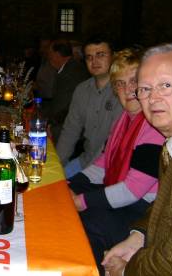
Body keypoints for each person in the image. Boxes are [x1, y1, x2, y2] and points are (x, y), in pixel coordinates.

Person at [103, 43, 172, 276]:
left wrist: (127, 270)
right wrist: (137, 237)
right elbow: (167, 202)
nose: (153, 98)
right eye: (145, 89)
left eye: (165, 86)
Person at [69, 48, 164, 274]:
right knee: (70, 211)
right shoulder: (124, 120)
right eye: (120, 84)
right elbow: (103, 163)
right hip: (124, 198)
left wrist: (80, 201)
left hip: (145, 212)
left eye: (134, 81)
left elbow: (132, 190)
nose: (128, 89)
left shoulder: (154, 126)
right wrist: (70, 186)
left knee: (88, 222)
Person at [57, 35, 123, 178]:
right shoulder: (82, 90)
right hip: (85, 160)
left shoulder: (123, 91)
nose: (94, 61)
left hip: (110, 167)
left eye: (100, 55)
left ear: (113, 57)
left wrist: (85, 176)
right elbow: (70, 131)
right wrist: (57, 165)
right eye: (89, 57)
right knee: (50, 183)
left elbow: (112, 142)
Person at [43, 38, 89, 141]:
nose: (48, 56)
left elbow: (63, 106)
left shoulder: (71, 73)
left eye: (50, 53)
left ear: (57, 54)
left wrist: (48, 123)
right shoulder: (69, 68)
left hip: (69, 133)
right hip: (65, 126)